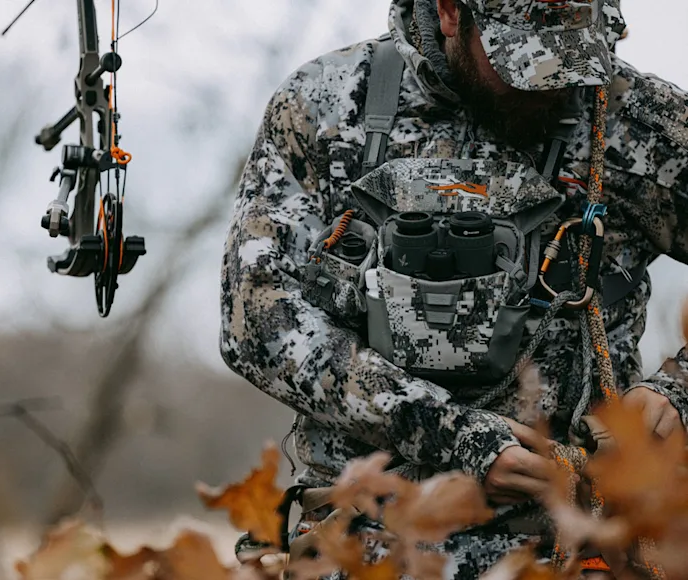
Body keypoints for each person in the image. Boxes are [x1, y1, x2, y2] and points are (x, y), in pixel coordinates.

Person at [219, 0, 688, 577]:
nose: (553, 85)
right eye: (524, 62)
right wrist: (450, 433)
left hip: (572, 549)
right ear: (448, 13)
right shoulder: (327, 104)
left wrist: (677, 391)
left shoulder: (636, 120)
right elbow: (257, 320)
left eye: (575, 59)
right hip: (361, 549)